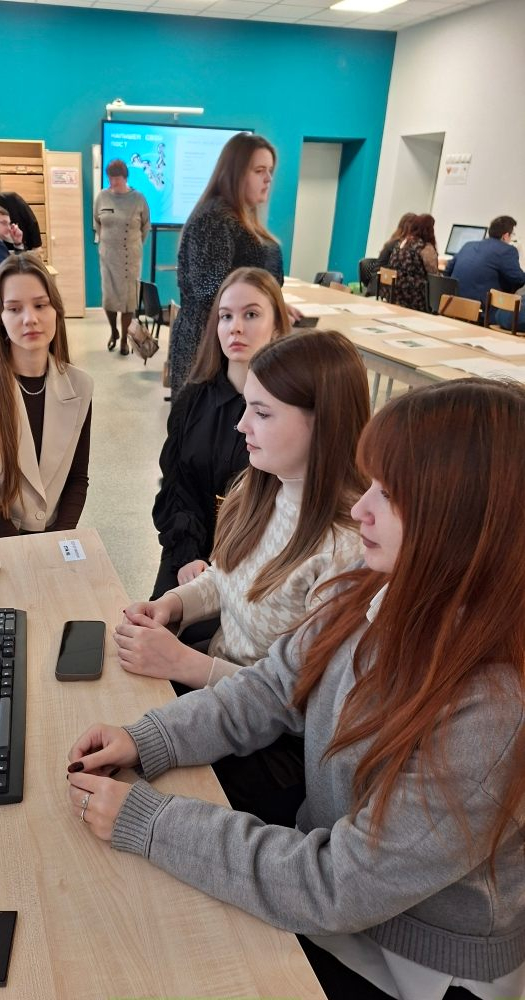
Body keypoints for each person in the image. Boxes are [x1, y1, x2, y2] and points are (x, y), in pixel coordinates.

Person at [67, 378, 525, 1000]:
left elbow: (338, 885)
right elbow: (273, 686)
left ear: (465, 521)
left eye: (390, 495)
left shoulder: (492, 710)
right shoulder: (371, 581)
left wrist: (152, 822)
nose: (361, 509)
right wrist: (150, 738)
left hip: (411, 963)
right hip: (328, 887)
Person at [121, 329, 369, 691]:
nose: (241, 425)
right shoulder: (261, 486)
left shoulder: (348, 551)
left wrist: (182, 663)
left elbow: (300, 695)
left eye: (262, 413)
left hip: (250, 712)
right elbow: (225, 577)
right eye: (246, 407)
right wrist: (173, 605)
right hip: (213, 676)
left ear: (326, 423)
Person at [150, 267, 289, 600]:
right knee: (153, 622)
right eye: (226, 316)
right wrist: (188, 554)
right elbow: (177, 486)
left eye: (251, 314)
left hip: (264, 565)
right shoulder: (191, 400)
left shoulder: (292, 409)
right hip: (191, 549)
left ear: (277, 326)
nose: (235, 327)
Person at [0, 252, 92, 541]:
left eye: (40, 305)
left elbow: (77, 480)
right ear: (0, 318)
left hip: (52, 530)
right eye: (14, 309)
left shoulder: (80, 385)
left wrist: (55, 542)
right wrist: (27, 551)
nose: (30, 319)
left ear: (56, 311)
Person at [169, 133, 284, 398]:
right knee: (210, 420)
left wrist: (271, 304)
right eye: (259, 171)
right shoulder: (215, 219)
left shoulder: (238, 217)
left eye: (270, 171)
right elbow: (212, 292)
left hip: (229, 348)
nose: (268, 179)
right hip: (211, 351)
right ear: (235, 173)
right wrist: (256, 307)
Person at [93, 159, 150, 354]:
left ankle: (125, 340)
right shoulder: (102, 197)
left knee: (128, 302)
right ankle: (114, 331)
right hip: (108, 258)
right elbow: (97, 222)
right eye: (110, 178)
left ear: (125, 178)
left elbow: (145, 226)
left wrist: (133, 246)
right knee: (109, 300)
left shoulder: (138, 199)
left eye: (117, 178)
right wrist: (107, 243)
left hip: (130, 260)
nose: (113, 182)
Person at [445, 214, 525, 313]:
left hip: (453, 306)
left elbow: (448, 270)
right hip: (483, 312)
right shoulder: (507, 250)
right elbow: (518, 279)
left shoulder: (468, 245)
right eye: (512, 235)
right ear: (505, 236)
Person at [388, 212, 438, 311]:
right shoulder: (425, 247)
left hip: (395, 292)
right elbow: (433, 274)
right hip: (415, 296)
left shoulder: (403, 242)